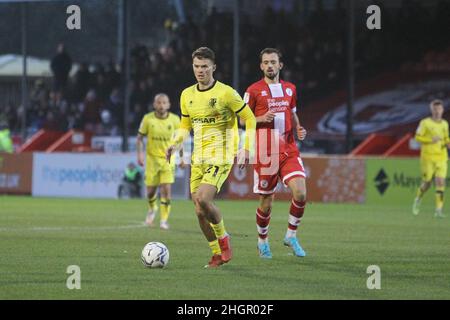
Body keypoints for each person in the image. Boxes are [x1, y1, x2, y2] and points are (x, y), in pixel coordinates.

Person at [166, 47, 256, 268]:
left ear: (213, 67)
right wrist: (175, 142)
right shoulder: (187, 94)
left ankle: (224, 240)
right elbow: (185, 125)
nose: (200, 70)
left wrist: (246, 148)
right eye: (197, 66)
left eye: (205, 66)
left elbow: (250, 118)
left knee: (204, 199)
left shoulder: (226, 93)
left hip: (221, 154)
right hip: (199, 157)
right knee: (199, 210)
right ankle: (216, 253)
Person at [242, 48, 307, 259]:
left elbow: (293, 113)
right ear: (261, 66)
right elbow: (243, 120)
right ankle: (262, 241)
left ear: (280, 65)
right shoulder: (252, 90)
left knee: (301, 193)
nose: (270, 65)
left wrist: (298, 128)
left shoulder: (290, 89)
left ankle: (291, 235)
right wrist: (260, 120)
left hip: (288, 148)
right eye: (266, 62)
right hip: (265, 151)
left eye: (273, 62)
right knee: (266, 202)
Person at [137, 93, 185, 230]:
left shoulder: (175, 120)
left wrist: (182, 158)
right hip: (152, 160)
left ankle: (164, 220)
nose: (161, 105)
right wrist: (139, 155)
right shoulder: (148, 119)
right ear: (154, 104)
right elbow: (139, 138)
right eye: (159, 102)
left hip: (168, 160)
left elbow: (180, 141)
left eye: (164, 102)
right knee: (150, 192)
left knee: (166, 190)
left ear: (169, 105)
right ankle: (152, 208)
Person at [412, 99, 449, 218]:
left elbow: (446, 137)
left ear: (442, 110)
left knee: (440, 181)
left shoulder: (445, 124)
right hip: (428, 158)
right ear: (431, 110)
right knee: (427, 183)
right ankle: (418, 198)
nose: (437, 111)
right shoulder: (425, 123)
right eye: (435, 109)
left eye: (439, 109)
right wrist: (430, 140)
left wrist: (448, 143)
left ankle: (438, 210)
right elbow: (417, 137)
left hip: (442, 157)